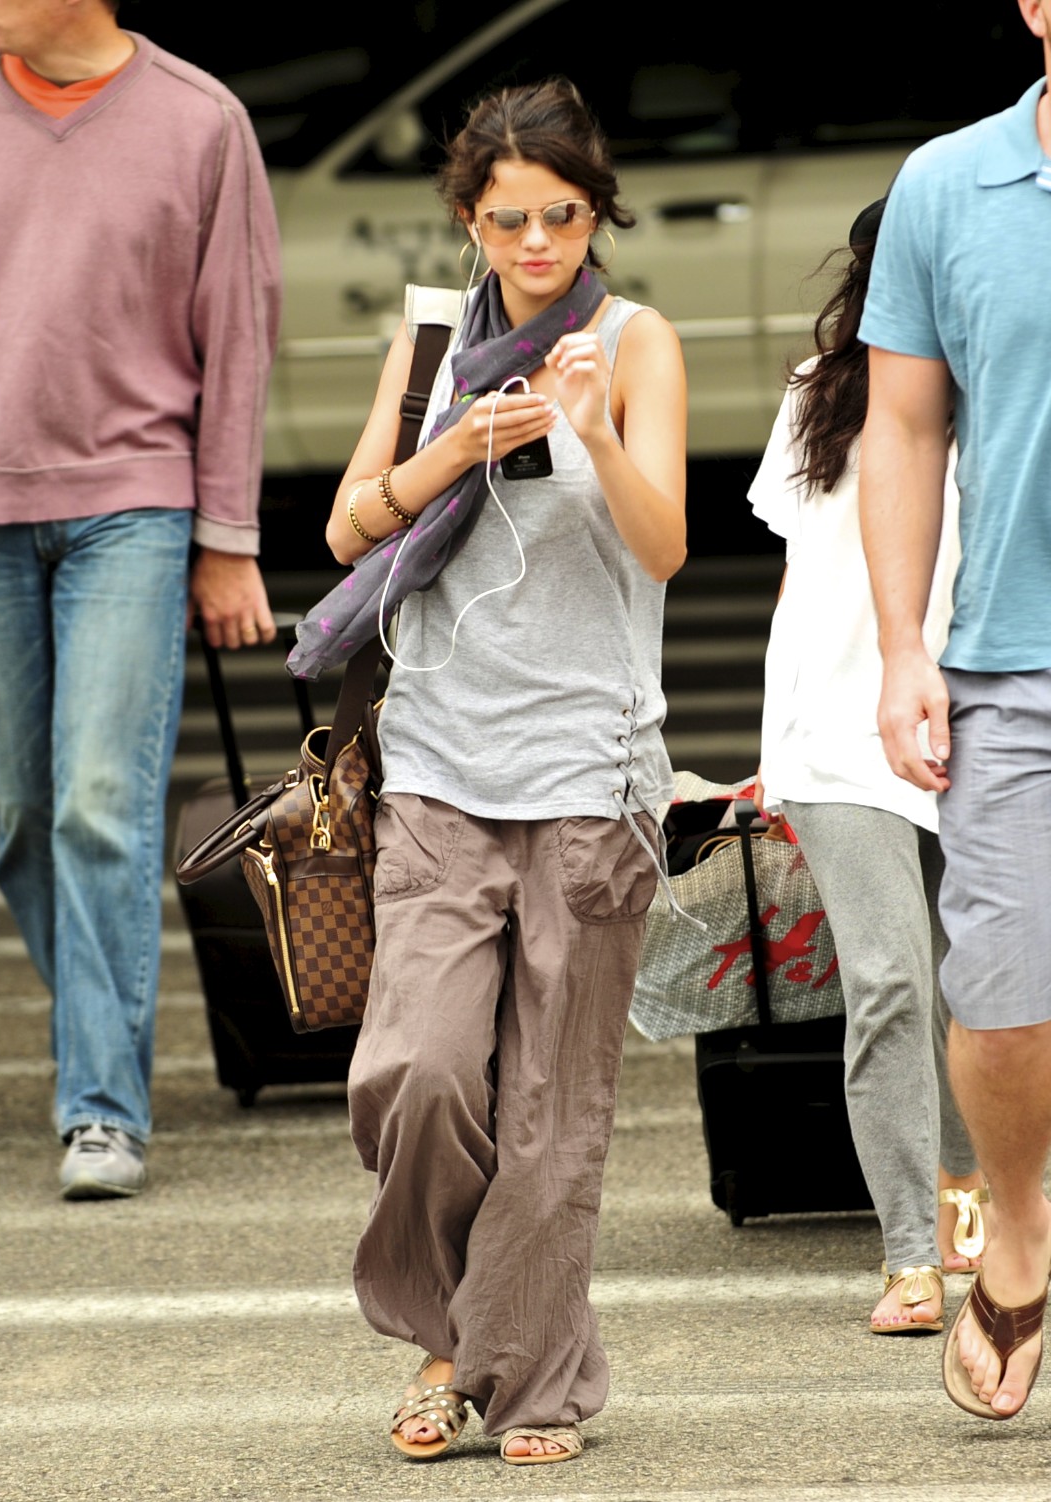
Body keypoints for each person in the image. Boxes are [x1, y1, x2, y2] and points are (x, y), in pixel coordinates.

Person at [320, 78, 686, 1465]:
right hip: (437, 761)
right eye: (511, 218)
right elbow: (352, 529)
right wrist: (455, 449)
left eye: (565, 216)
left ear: (597, 215)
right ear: (470, 218)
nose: (539, 243)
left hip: (592, 770)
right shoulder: (431, 343)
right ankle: (452, 1329)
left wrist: (594, 431)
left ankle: (519, 1380)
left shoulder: (636, 341)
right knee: (416, 1068)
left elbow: (665, 547)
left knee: (549, 1112)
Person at [0, 0, 281, 1198]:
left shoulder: (200, 120)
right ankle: (98, 1027)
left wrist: (227, 538)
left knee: (100, 802)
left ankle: (101, 1105)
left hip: (135, 506)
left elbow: (240, 336)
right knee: (15, 811)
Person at [858, 0, 1051, 1420]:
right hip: (1012, 658)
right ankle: (1023, 1217)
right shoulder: (946, 183)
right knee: (999, 1000)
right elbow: (907, 424)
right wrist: (897, 647)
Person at [752, 200, 985, 1336]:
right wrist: (774, 747)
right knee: (892, 979)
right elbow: (800, 581)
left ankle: (973, 1208)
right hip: (841, 735)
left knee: (982, 990)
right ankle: (910, 1254)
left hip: (986, 726)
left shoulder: (1015, 381)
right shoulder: (821, 393)